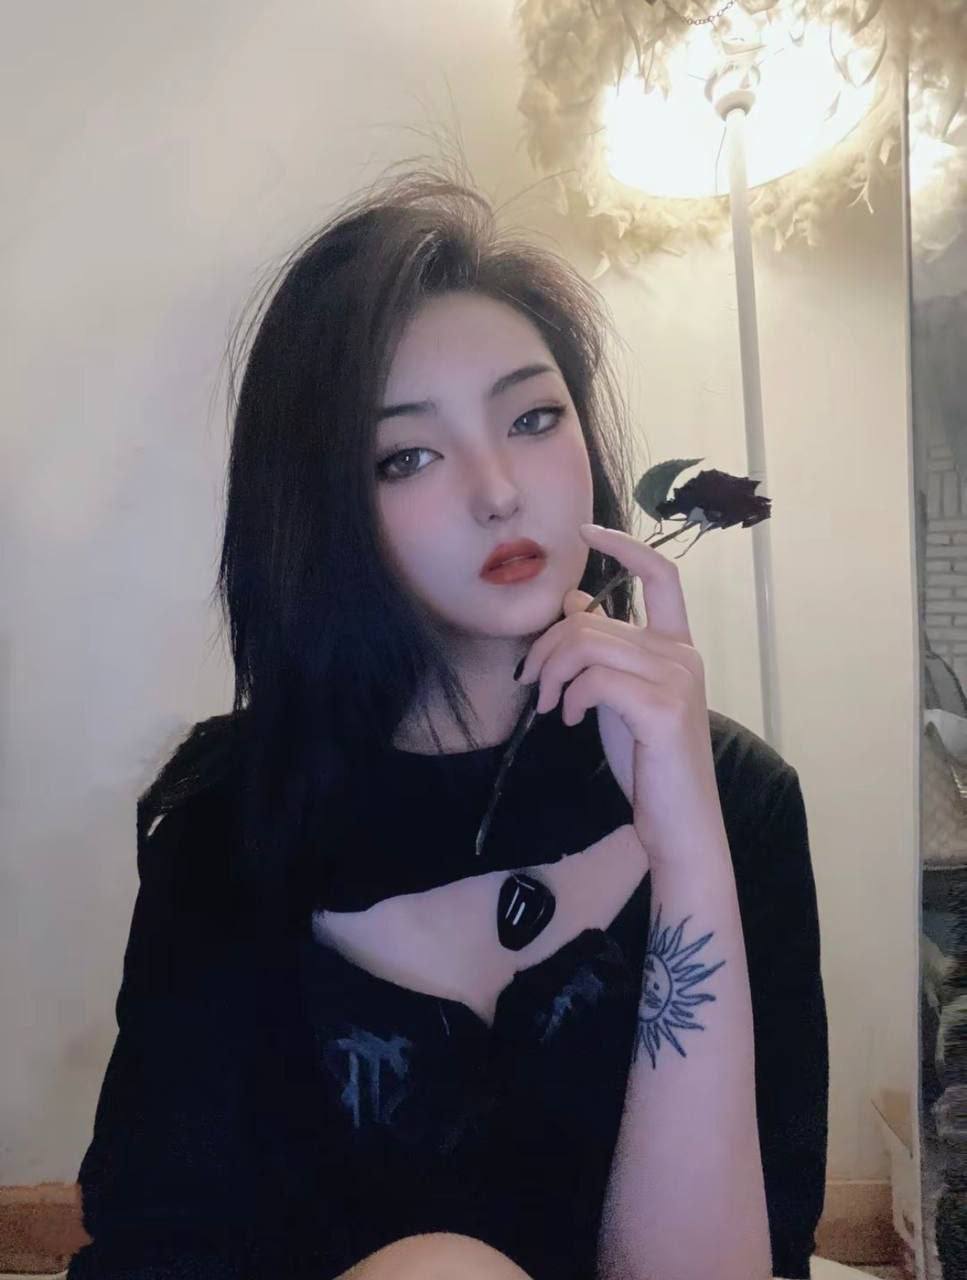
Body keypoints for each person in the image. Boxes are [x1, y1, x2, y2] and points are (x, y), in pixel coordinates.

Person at [67, 161, 828, 1280]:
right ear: (323, 507)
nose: (497, 489)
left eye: (533, 417)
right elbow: (159, 1245)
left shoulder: (736, 794)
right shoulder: (230, 825)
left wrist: (687, 850)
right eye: (407, 455)